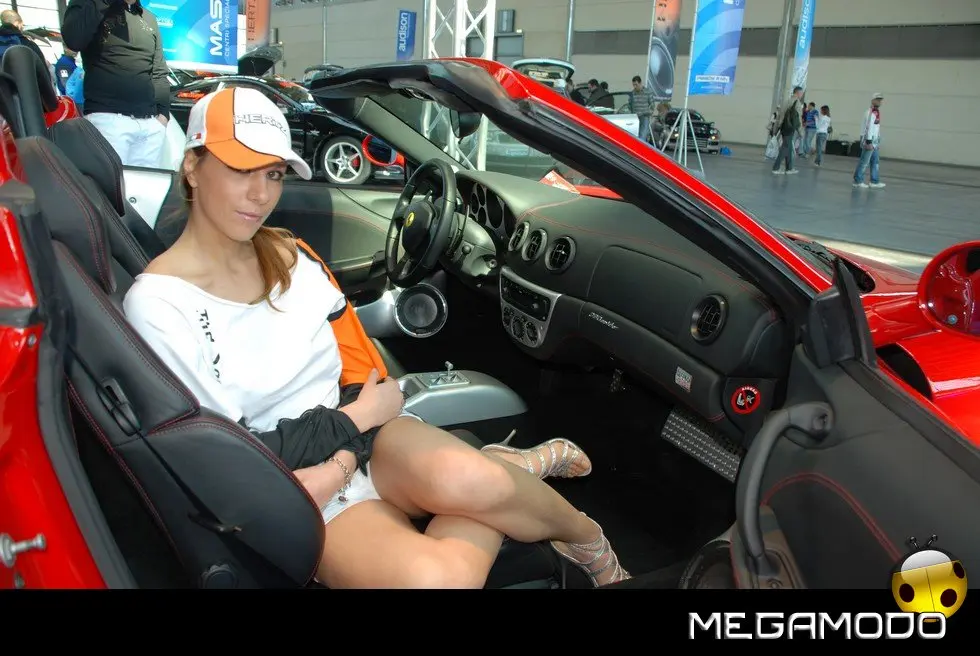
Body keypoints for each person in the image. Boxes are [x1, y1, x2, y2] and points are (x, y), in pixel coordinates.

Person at [122, 86, 631, 589]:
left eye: (273, 174)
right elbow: (236, 458)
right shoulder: (159, 305)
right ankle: (504, 474)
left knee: (474, 482)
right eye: (241, 169)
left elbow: (366, 378)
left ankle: (586, 539)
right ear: (192, 167)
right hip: (292, 489)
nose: (261, 195)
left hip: (363, 442)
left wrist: (347, 450)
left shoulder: (290, 256)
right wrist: (354, 428)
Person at [61, 0, 170, 168]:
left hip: (150, 125)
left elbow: (159, 70)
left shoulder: (149, 18)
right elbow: (73, 40)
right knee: (110, 183)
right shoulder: (92, 4)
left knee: (146, 184)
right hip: (107, 119)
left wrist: (163, 114)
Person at [853, 93, 885, 189]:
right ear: (872, 100)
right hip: (869, 140)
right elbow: (869, 128)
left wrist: (878, 139)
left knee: (875, 161)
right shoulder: (870, 113)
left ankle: (874, 181)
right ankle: (858, 181)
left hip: (874, 140)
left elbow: (876, 127)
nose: (879, 102)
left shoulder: (876, 113)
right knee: (864, 161)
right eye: (877, 99)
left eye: (880, 100)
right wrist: (869, 141)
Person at [771, 86, 803, 175]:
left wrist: (778, 126)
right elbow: (798, 119)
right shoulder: (797, 103)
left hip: (784, 127)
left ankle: (789, 168)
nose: (801, 95)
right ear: (798, 93)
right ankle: (776, 168)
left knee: (788, 148)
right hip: (790, 128)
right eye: (801, 93)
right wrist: (801, 131)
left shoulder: (787, 101)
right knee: (785, 148)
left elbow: (781, 115)